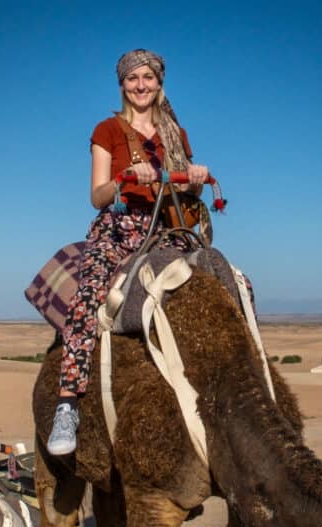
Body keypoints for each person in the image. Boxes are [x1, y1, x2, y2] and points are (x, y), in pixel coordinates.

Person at [47, 48, 209, 455]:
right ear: (123, 85)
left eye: (148, 78)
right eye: (133, 79)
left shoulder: (176, 133)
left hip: (167, 228)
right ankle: (68, 403)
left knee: (220, 282)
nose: (141, 86)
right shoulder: (108, 130)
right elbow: (96, 195)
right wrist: (123, 179)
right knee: (87, 298)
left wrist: (197, 179)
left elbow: (185, 190)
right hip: (120, 226)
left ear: (159, 83)